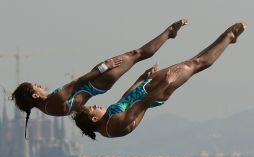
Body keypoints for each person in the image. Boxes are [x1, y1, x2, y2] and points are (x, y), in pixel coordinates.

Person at [11, 19, 188, 138]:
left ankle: (169, 33)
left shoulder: (50, 109)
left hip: (98, 85)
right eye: (36, 86)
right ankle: (169, 32)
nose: (40, 85)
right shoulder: (53, 101)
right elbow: (77, 82)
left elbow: (78, 106)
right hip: (98, 80)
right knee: (137, 54)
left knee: (137, 55)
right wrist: (104, 67)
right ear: (34, 95)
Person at [73, 22, 247, 140]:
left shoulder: (107, 119)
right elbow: (142, 105)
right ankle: (229, 37)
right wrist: (165, 83)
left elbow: (125, 100)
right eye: (92, 109)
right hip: (156, 94)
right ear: (94, 119)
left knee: (191, 61)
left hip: (145, 89)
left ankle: (222, 38)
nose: (94, 105)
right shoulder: (113, 126)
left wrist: (141, 79)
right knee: (194, 65)